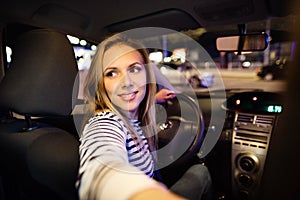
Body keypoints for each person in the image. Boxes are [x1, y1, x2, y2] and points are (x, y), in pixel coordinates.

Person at [76, 33, 212, 200]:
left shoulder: (130, 115)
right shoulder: (105, 122)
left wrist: (154, 98)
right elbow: (101, 167)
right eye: (112, 73)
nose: (126, 82)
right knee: (201, 171)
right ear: (100, 84)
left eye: (134, 69)